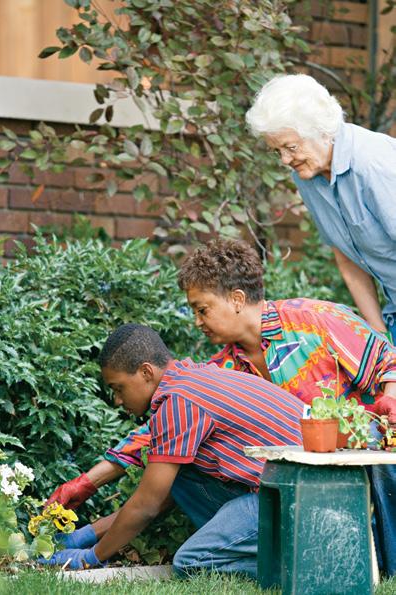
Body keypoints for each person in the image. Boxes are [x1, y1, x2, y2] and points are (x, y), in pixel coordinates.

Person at [48, 239, 396, 574]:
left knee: (373, 440)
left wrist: (389, 404)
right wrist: (87, 488)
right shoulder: (221, 369)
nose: (197, 321)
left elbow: (388, 360)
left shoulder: (313, 320)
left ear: (237, 299)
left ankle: (359, 558)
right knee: (180, 467)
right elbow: (160, 439)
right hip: (283, 480)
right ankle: (287, 547)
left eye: (203, 309)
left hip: (356, 456)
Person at [40, 323, 304, 574]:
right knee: (181, 478)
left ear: (146, 372)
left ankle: (293, 568)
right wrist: (84, 536)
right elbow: (158, 496)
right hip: (287, 494)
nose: (118, 401)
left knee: (192, 562)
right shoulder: (190, 379)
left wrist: (91, 558)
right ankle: (274, 551)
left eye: (118, 388)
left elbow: (146, 506)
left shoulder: (178, 402)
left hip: (292, 503)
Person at [245, 73, 396, 344]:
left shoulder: (375, 163)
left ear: (322, 129)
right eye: (276, 150)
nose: (285, 160)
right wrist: (380, 336)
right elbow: (348, 260)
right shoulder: (307, 175)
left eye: (290, 147)